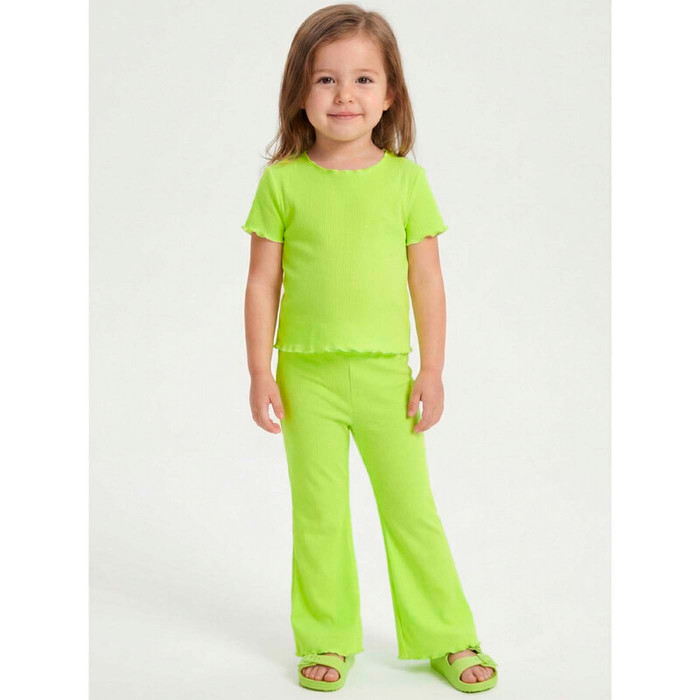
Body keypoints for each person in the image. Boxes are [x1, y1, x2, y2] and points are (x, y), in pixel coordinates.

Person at [241, 4, 498, 693]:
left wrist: (432, 369)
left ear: (390, 95)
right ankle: (326, 637)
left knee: (411, 511)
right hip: (305, 378)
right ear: (300, 92)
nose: (344, 96)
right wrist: (260, 372)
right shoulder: (283, 181)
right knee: (319, 514)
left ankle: (447, 634)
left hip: (389, 377)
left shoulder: (407, 182)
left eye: (363, 79)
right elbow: (263, 282)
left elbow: (428, 282)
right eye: (325, 79)